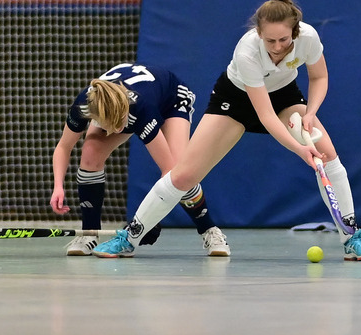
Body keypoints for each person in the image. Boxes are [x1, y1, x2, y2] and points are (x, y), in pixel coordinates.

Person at [90, 0, 361, 261]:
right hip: (235, 100)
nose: (277, 47)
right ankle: (129, 238)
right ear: (259, 33)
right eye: (270, 41)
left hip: (285, 98)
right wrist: (300, 148)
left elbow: (319, 77)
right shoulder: (247, 51)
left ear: (295, 31)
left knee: (328, 156)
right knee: (183, 175)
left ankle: (352, 238)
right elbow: (265, 116)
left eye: (283, 40)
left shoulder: (309, 38)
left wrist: (311, 112)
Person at [50, 63, 230, 257]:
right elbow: (63, 147)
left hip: (171, 99)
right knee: (90, 152)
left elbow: (168, 173)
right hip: (130, 102)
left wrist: (145, 223)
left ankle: (209, 230)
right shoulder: (84, 105)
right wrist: (58, 187)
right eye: (113, 125)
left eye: (121, 122)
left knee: (179, 173)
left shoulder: (141, 108)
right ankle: (89, 233)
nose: (119, 130)